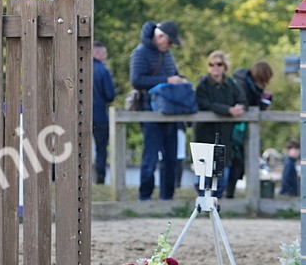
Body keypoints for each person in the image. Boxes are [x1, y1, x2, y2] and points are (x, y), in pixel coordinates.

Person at [129, 21, 185, 201]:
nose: (170, 46)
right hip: (150, 112)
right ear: (160, 37)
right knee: (150, 158)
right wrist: (167, 80)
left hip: (170, 110)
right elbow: (137, 80)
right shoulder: (140, 53)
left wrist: (180, 80)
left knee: (171, 158)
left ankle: (167, 197)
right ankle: (145, 196)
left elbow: (174, 73)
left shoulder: (167, 54)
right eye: (169, 42)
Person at [193, 50, 246, 195]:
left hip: (224, 136)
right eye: (211, 64)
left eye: (219, 64)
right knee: (203, 179)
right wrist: (227, 110)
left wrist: (238, 108)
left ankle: (216, 209)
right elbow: (204, 103)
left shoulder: (230, 84)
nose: (215, 67)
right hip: (205, 135)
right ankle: (202, 208)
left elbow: (243, 101)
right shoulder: (203, 85)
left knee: (221, 179)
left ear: (225, 67)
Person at [225, 60, 274, 198]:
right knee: (235, 160)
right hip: (236, 128)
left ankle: (230, 193)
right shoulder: (243, 85)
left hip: (241, 127)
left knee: (239, 161)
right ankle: (228, 193)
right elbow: (245, 104)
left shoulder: (250, 84)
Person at [92, 42, 116, 184]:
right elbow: (110, 95)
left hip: (80, 116)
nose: (105, 57)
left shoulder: (79, 69)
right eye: (104, 53)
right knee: (101, 149)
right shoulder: (103, 71)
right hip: (100, 115)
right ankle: (100, 179)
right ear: (98, 53)